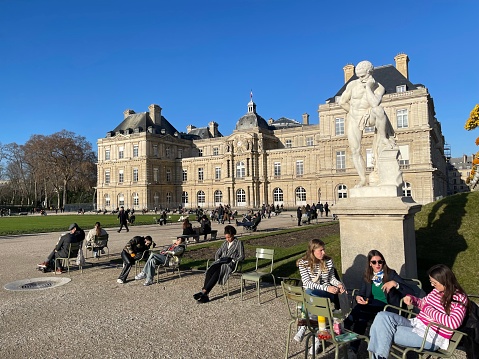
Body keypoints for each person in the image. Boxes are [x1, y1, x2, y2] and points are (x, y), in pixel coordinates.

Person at [367, 264, 469, 359]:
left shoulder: (459, 298)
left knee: (382, 331)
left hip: (430, 336)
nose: (432, 285)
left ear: (445, 281)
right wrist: (413, 300)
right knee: (382, 316)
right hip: (417, 324)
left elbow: (453, 323)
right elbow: (423, 302)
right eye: (431, 282)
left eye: (434, 283)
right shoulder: (436, 291)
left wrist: (428, 309)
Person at [343, 250, 415, 358]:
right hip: (371, 307)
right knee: (362, 317)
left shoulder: (391, 274)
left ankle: (345, 325)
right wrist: (358, 297)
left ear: (383, 262)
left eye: (380, 262)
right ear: (370, 264)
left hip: (388, 308)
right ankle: (353, 349)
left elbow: (410, 291)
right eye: (374, 262)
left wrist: (395, 284)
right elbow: (362, 293)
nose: (377, 265)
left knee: (362, 309)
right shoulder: (368, 276)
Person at [339, 60, 396, 187]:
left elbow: (375, 103)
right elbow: (342, 102)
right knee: (355, 150)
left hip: (369, 115)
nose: (360, 79)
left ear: (370, 73)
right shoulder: (353, 85)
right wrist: (354, 113)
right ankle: (363, 179)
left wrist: (369, 87)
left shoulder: (379, 87)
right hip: (354, 117)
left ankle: (383, 138)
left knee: (379, 110)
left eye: (363, 76)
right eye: (358, 76)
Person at [295, 238, 345, 354]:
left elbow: (332, 278)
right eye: (321, 250)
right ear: (313, 251)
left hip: (327, 293)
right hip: (316, 295)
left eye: (324, 250)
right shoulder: (304, 263)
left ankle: (304, 323)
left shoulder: (328, 261)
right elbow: (307, 282)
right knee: (314, 298)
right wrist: (326, 287)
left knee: (309, 295)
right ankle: (318, 339)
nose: (324, 253)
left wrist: (339, 284)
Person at [193, 225, 244, 303]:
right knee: (210, 270)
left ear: (233, 235)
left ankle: (204, 293)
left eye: (229, 237)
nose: (228, 239)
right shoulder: (225, 243)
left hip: (229, 264)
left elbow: (242, 256)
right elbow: (217, 253)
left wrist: (233, 260)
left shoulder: (238, 243)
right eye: (226, 237)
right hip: (221, 262)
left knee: (217, 272)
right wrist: (218, 261)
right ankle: (204, 294)